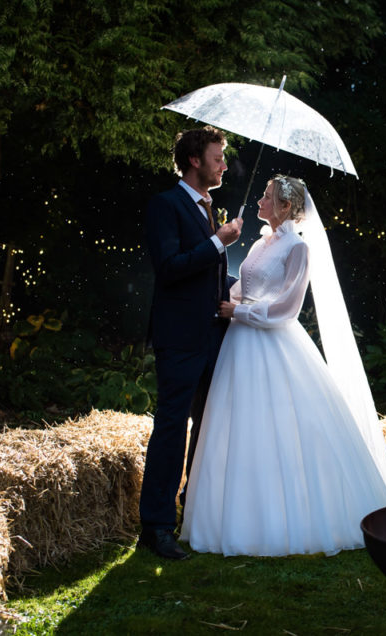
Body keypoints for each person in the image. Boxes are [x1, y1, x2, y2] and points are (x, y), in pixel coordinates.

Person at [180, 175, 386, 556]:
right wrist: (220, 298)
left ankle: (289, 518)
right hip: (240, 343)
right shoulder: (260, 243)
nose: (260, 202)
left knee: (276, 427)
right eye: (263, 195)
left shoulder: (298, 249)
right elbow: (241, 287)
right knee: (236, 427)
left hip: (272, 344)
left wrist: (241, 311)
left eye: (267, 198)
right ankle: (234, 515)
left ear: (284, 207)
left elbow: (288, 308)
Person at [138, 127, 243, 560]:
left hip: (212, 338)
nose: (223, 164)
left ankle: (191, 512)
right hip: (179, 338)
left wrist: (243, 291)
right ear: (195, 161)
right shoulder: (166, 205)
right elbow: (170, 267)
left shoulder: (209, 209)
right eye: (217, 157)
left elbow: (208, 275)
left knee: (207, 428)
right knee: (170, 428)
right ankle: (156, 526)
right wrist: (218, 241)